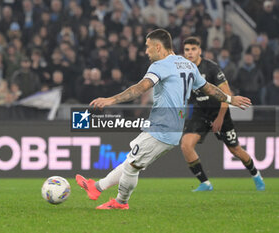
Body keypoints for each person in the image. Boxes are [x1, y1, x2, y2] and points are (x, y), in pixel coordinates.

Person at [76, 29, 251, 210]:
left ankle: (120, 202)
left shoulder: (160, 66)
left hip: (164, 127)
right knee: (132, 160)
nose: (146, 51)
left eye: (148, 47)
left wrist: (110, 99)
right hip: (172, 126)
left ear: (158, 47)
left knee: (132, 166)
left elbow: (140, 88)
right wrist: (230, 99)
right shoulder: (188, 65)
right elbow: (208, 88)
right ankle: (96, 187)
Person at [181, 37, 265, 192]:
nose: (190, 53)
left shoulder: (211, 68)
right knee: (186, 144)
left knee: (235, 150)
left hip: (219, 112)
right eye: (187, 50)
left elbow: (227, 95)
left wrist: (220, 118)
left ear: (200, 51)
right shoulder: (184, 71)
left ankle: (256, 174)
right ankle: (205, 183)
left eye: (193, 49)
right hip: (200, 113)